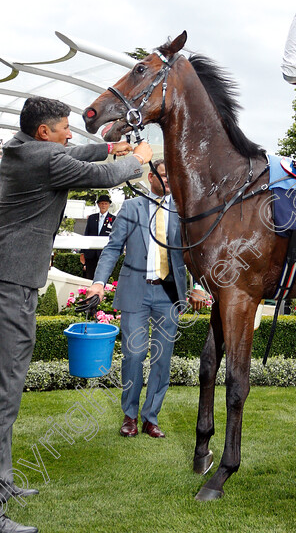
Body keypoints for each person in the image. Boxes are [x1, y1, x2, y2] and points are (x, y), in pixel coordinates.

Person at [0, 96, 150, 533]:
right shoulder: (43, 160)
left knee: (7, 390)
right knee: (5, 394)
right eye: (64, 127)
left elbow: (76, 154)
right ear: (43, 132)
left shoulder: (24, 148)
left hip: (13, 280)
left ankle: (3, 483)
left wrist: (110, 147)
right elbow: (95, 174)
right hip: (11, 284)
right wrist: (135, 159)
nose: (70, 133)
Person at [85, 159, 208, 439]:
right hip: (135, 291)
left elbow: (194, 251)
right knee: (134, 355)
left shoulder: (183, 210)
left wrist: (198, 284)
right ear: (151, 177)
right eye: (165, 177)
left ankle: (150, 418)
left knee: (162, 359)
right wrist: (98, 283)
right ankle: (129, 416)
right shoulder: (131, 208)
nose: (170, 183)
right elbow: (113, 248)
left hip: (168, 295)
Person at [80, 194, 116, 281]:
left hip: (104, 253)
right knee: (89, 277)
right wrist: (82, 252)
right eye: (102, 203)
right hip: (90, 254)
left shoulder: (114, 219)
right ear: (98, 204)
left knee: (102, 277)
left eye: (105, 203)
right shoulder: (92, 218)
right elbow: (86, 234)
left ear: (108, 205)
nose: (103, 205)